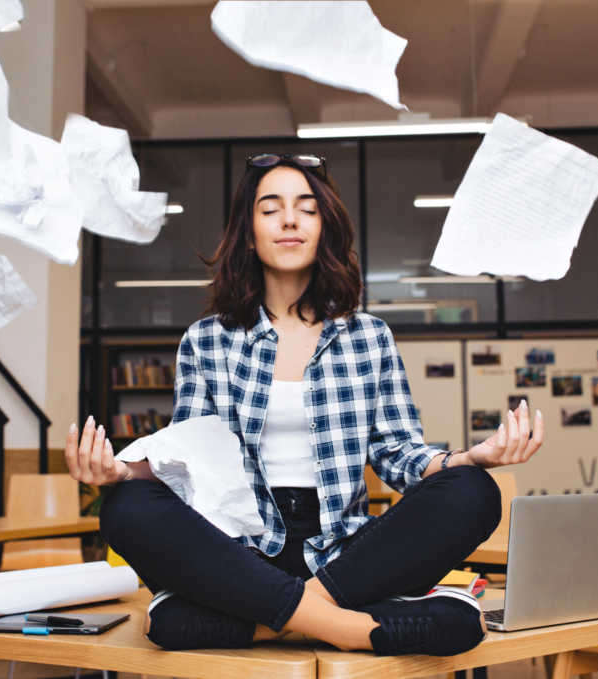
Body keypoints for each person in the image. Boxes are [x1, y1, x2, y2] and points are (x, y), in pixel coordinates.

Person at [65, 153, 545, 657]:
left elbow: (397, 453)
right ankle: (350, 630)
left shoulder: (368, 337)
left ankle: (273, 619)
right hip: (239, 553)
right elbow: (192, 466)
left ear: (324, 229)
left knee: (473, 491)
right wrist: (118, 474)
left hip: (346, 556)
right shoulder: (206, 340)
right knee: (125, 508)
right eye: (270, 208)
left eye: (306, 208)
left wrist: (471, 459)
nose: (289, 219)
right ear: (249, 234)